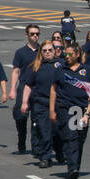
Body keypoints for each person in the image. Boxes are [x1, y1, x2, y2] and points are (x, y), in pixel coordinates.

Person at [49, 43, 90, 179]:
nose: (67, 57)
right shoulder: (61, 69)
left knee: (79, 138)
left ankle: (76, 164)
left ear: (77, 54)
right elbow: (53, 89)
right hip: (66, 107)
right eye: (65, 54)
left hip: (81, 109)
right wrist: (52, 110)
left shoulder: (87, 70)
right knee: (71, 137)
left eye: (70, 54)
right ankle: (72, 168)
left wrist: (88, 111)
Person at [20, 41, 62, 169]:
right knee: (44, 131)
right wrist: (24, 102)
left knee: (57, 131)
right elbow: (28, 85)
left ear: (55, 51)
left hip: (58, 103)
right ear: (41, 52)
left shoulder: (61, 65)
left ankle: (59, 151)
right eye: (45, 50)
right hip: (41, 103)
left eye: (50, 50)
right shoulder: (36, 66)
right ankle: (45, 157)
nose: (48, 52)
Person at [8, 24, 40, 154]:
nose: (35, 36)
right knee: (20, 116)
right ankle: (21, 140)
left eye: (37, 33)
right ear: (26, 35)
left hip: (38, 88)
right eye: (32, 34)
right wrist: (12, 89)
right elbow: (16, 71)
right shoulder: (20, 52)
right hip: (24, 86)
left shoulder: (43, 51)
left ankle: (36, 147)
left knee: (37, 118)